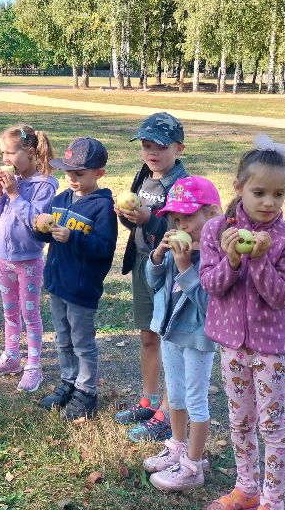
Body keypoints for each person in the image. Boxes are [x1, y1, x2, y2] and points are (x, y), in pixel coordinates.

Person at [200, 135, 285, 510]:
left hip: (274, 349)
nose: (269, 202)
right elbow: (210, 285)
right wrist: (231, 261)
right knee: (240, 421)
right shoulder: (216, 231)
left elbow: (280, 297)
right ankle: (246, 488)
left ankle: (272, 501)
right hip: (233, 344)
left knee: (272, 427)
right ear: (239, 187)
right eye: (259, 192)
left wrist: (259, 260)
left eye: (279, 194)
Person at [143, 176, 222, 492]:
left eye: (188, 216)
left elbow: (209, 306)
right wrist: (158, 256)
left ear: (212, 213)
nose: (181, 225)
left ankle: (193, 464)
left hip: (197, 336)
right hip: (170, 331)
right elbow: (154, 283)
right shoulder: (177, 248)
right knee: (175, 394)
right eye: (175, 220)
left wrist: (187, 267)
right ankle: (177, 446)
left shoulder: (217, 256)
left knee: (195, 399)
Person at [115, 112, 188, 442]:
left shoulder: (183, 185)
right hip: (143, 263)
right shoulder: (144, 176)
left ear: (178, 148)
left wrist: (149, 220)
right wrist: (128, 217)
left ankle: (168, 412)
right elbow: (137, 226)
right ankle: (149, 399)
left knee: (169, 340)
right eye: (146, 146)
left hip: (170, 268)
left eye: (159, 146)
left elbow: (182, 229)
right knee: (148, 334)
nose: (152, 152)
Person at [35, 137, 118, 420]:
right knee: (62, 339)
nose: (72, 178)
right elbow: (46, 235)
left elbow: (104, 248)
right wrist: (39, 229)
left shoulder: (102, 207)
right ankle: (69, 382)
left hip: (81, 288)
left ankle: (86, 391)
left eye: (79, 174)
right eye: (68, 172)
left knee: (82, 343)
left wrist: (73, 237)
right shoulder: (61, 200)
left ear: (99, 173)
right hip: (58, 282)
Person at [0, 124, 57, 392]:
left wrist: (14, 193)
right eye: (3, 153)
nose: (5, 159)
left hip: (29, 261)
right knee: (10, 311)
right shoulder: (10, 180)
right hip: (5, 260)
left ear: (30, 152)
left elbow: (36, 222)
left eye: (10, 153)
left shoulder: (44, 185)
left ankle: (34, 365)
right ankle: (11, 356)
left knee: (30, 313)